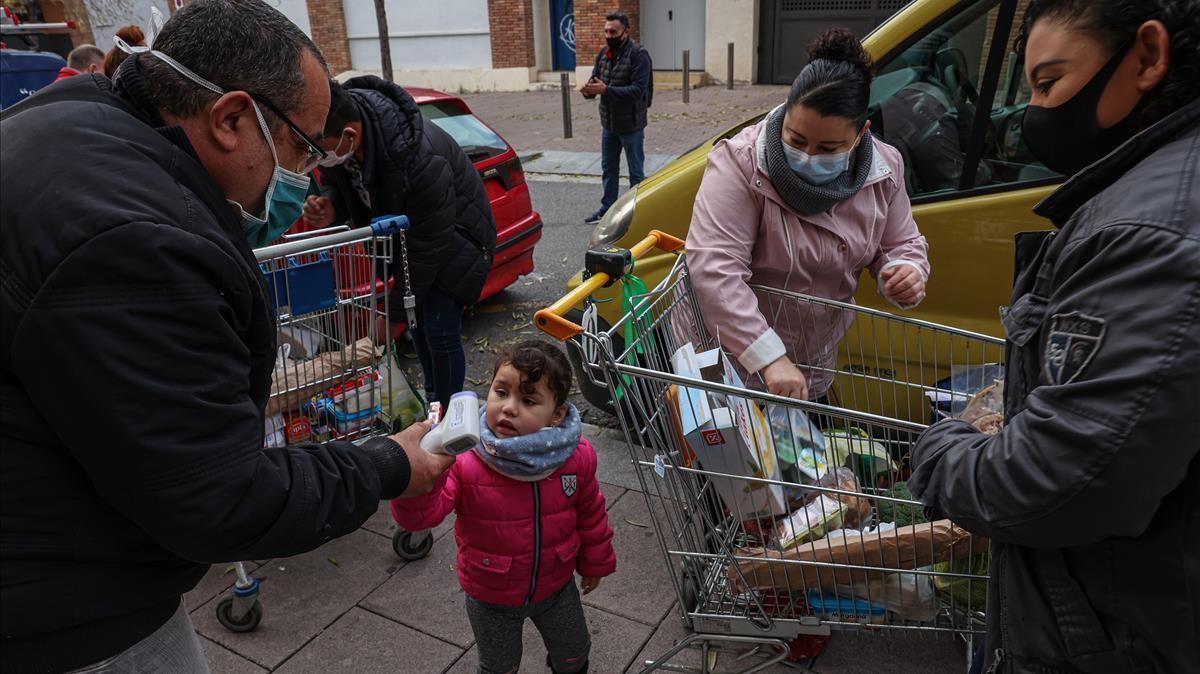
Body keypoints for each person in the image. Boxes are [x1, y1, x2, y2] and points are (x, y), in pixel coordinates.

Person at [0, 1, 453, 671]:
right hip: (72, 612)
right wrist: (390, 465)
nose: (311, 174)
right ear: (230, 119)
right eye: (304, 146)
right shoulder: (139, 247)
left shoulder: (65, 121)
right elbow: (219, 497)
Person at [907, 0, 1200, 671]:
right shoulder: (1149, 199)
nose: (1034, 114)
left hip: (1118, 634)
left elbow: (1065, 481)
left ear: (1148, 57)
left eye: (1049, 83)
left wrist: (939, 449)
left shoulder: (1148, 234)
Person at [685, 29, 929, 402]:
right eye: (796, 140)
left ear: (862, 133)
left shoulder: (885, 169)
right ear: (784, 112)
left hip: (811, 364)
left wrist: (904, 269)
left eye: (829, 147)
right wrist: (769, 358)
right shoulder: (740, 164)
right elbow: (716, 268)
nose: (809, 156)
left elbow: (901, 242)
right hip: (731, 367)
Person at [392, 341, 616, 674]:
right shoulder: (467, 459)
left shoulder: (575, 457)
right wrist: (414, 482)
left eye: (527, 400)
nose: (508, 408)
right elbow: (427, 514)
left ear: (558, 414)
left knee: (574, 653)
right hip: (490, 594)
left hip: (556, 585)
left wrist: (595, 562)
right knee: (499, 665)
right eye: (501, 392)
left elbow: (590, 513)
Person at [302, 77, 495, 412]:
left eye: (321, 151)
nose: (317, 158)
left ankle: (449, 415)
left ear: (350, 136)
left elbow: (430, 244)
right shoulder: (341, 141)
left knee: (439, 329)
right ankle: (435, 401)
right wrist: (331, 205)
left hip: (456, 243)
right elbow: (341, 186)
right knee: (418, 326)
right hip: (410, 244)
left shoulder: (417, 156)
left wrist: (389, 315)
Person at [580, 10, 652, 225]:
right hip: (609, 125)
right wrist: (588, 91)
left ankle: (636, 212)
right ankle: (607, 209)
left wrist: (606, 90)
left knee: (636, 172)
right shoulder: (603, 54)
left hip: (631, 125)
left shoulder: (639, 55)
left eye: (613, 31)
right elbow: (597, 82)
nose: (609, 35)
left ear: (625, 32)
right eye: (606, 31)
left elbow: (638, 91)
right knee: (608, 169)